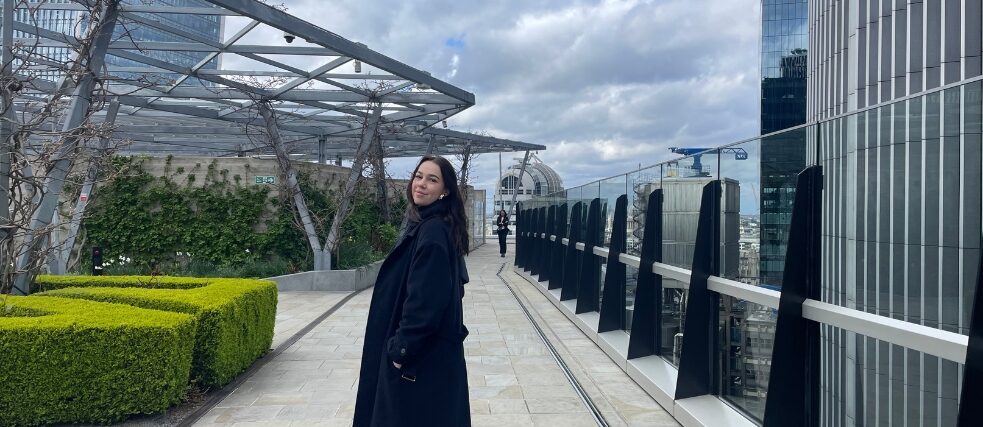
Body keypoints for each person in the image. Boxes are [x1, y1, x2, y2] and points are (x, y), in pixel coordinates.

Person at [353, 155, 471, 427]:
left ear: (445, 190)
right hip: (429, 358)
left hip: (418, 360)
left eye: (432, 180)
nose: (421, 184)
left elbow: (425, 301)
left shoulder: (432, 232)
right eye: (418, 177)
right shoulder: (432, 226)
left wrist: (400, 351)